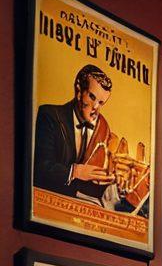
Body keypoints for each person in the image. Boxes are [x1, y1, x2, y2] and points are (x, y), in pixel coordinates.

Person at [33, 64, 118, 204]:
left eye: (101, 103)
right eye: (92, 97)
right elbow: (39, 167)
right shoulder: (49, 115)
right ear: (78, 90)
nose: (96, 108)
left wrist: (112, 182)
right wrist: (74, 172)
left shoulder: (104, 129)